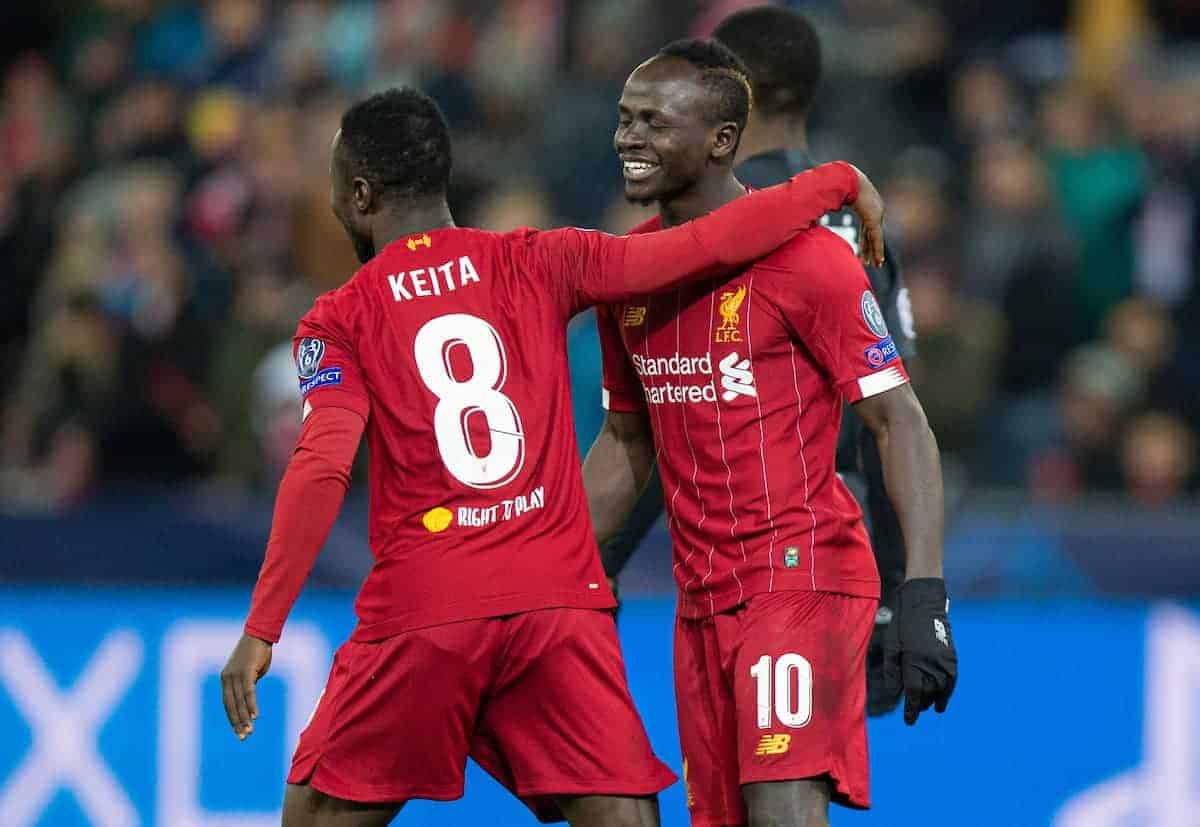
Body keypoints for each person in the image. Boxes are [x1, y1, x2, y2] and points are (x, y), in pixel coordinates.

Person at [218, 87, 885, 827]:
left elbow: (321, 464)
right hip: (555, 601)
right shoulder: (542, 258)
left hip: (427, 605)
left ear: (361, 194)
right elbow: (703, 246)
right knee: (624, 815)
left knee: (312, 815)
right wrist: (832, 183)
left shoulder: (337, 319)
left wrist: (262, 626)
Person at [584, 40, 956, 827]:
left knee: (784, 810)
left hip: (801, 574)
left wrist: (923, 591)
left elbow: (899, 421)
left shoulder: (812, 261)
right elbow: (625, 442)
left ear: (722, 140)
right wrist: (548, 566)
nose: (629, 138)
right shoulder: (628, 277)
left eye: (653, 121)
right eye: (624, 120)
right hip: (699, 598)